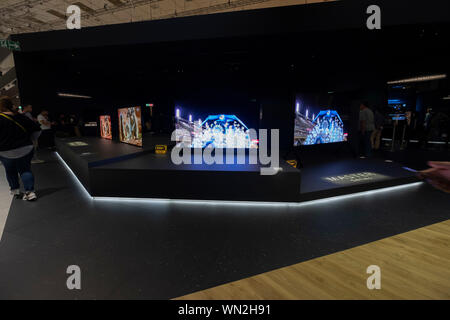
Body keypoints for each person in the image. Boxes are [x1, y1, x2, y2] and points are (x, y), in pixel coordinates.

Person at [0, 96, 41, 201]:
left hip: (5, 152)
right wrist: (31, 140)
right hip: (25, 149)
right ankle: (30, 192)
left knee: (10, 171)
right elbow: (37, 129)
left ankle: (15, 191)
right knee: (25, 170)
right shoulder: (21, 117)